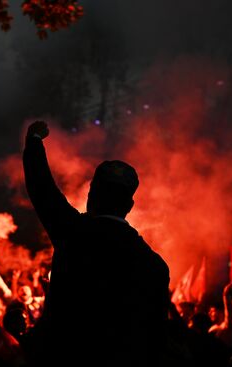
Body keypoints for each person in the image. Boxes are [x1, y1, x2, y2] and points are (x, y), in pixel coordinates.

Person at [22, 121, 170, 366]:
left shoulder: (72, 232)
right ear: (129, 206)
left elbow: (41, 187)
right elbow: (155, 339)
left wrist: (35, 140)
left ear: (91, 197)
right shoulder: (155, 266)